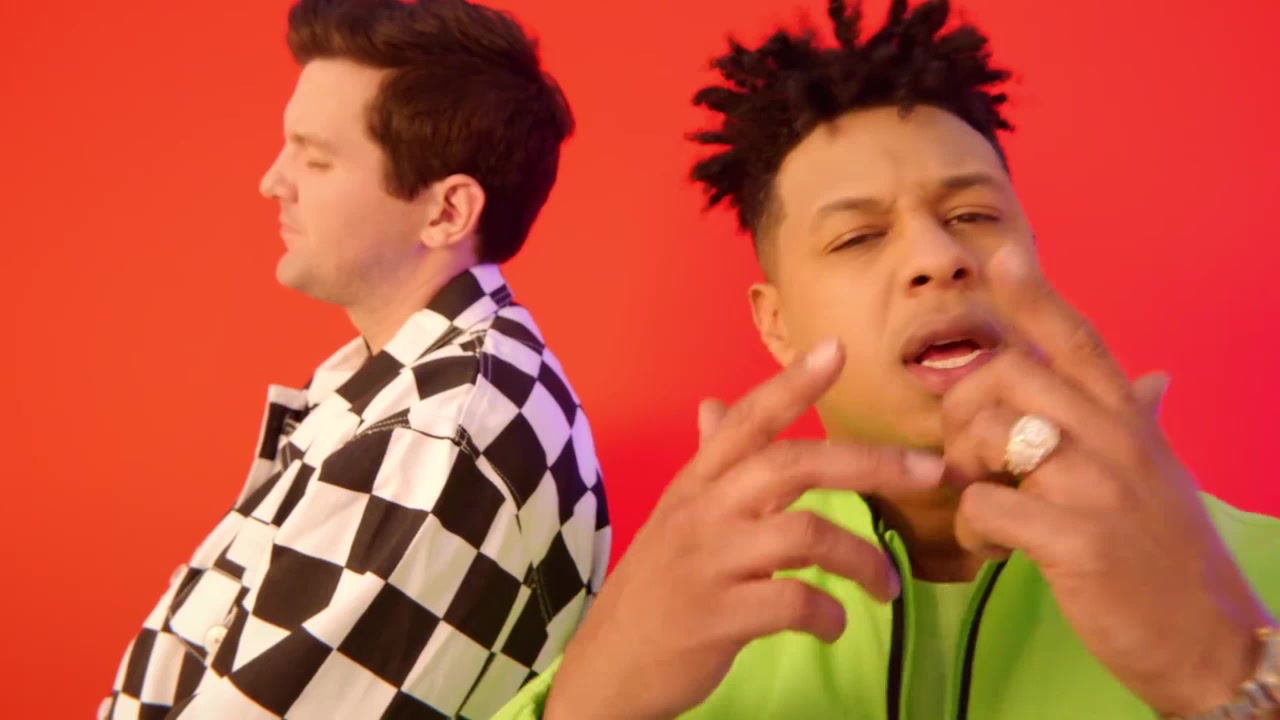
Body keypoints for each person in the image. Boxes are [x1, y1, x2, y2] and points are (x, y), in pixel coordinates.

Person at [492, 0, 1280, 718]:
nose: (938, 258)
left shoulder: (1247, 573)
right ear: (776, 324)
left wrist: (1232, 674)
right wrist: (586, 703)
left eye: (973, 215)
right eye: (858, 237)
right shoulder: (678, 611)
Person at [100, 1, 610, 718]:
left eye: (316, 158)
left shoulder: (439, 439)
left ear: (447, 212)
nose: (273, 181)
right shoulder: (419, 389)